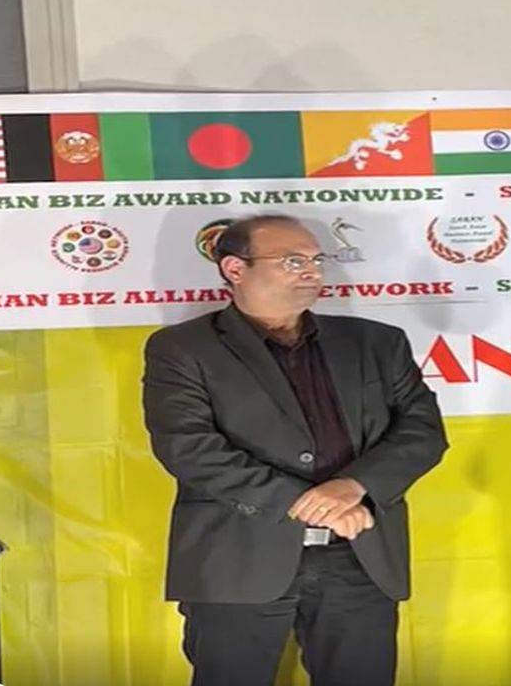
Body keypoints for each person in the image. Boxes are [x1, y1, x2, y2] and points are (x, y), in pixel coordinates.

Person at [142, 213, 447, 686]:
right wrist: (307, 504)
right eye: (292, 261)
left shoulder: (377, 342)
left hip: (359, 558)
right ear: (234, 269)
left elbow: (423, 433)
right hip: (237, 559)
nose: (312, 271)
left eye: (316, 260)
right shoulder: (182, 348)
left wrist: (354, 487)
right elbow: (189, 449)